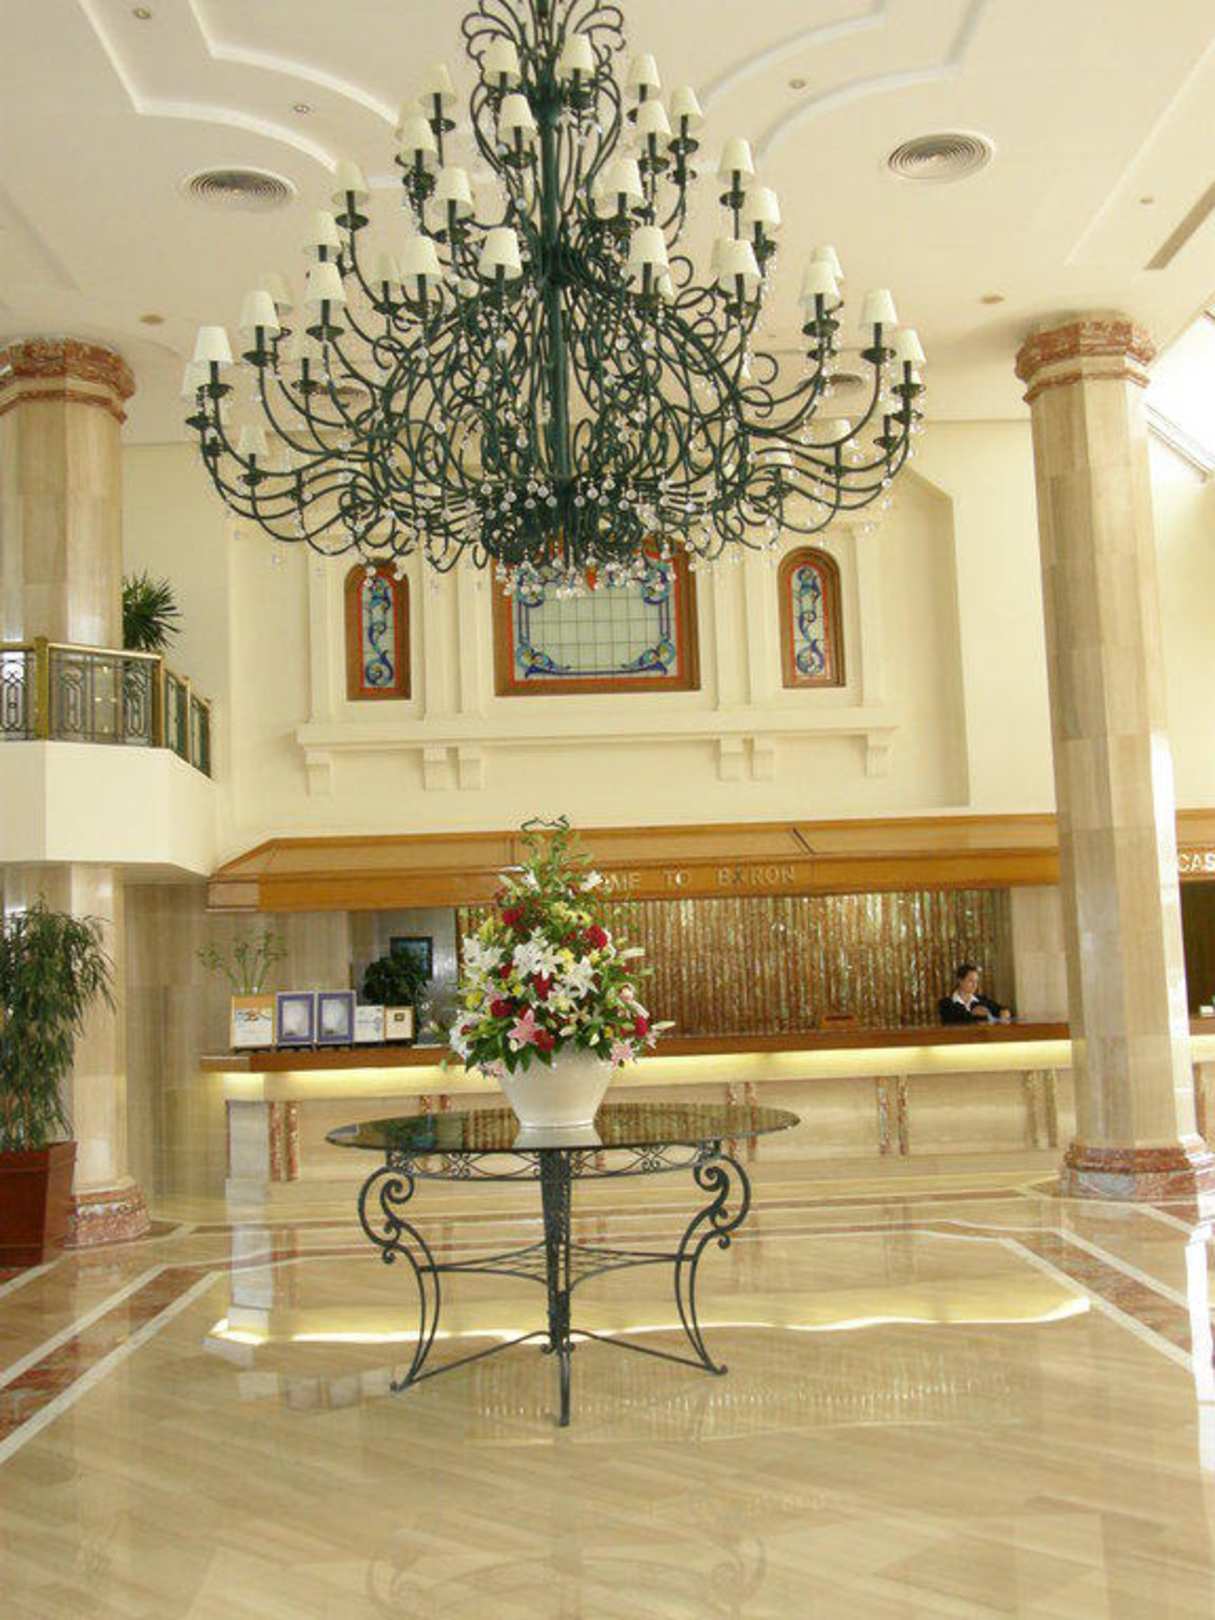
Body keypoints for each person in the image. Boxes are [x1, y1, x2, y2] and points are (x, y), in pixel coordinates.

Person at [939, 962, 1012, 1024]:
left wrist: (1004, 1012)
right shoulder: (946, 1003)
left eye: (976, 981)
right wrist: (973, 1014)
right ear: (960, 980)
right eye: (971, 981)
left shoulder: (982, 1000)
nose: (975, 985)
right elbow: (951, 1021)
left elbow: (1001, 1009)